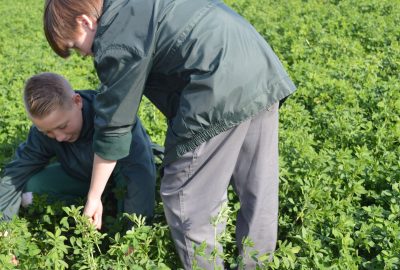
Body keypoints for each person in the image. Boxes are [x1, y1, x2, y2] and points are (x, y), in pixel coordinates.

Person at [43, 0, 297, 268]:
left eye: (74, 46)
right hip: (258, 66)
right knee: (256, 187)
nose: (84, 55)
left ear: (85, 22)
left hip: (216, 83)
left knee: (184, 195)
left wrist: (94, 197)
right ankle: (257, 264)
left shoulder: (116, 34)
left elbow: (115, 124)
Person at [0, 72, 156, 225]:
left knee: (134, 193)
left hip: (124, 178)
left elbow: (139, 175)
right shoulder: (44, 131)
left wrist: (132, 235)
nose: (59, 137)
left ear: (77, 101)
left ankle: (114, 211)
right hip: (83, 177)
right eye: (47, 132)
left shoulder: (113, 118)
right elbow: (16, 172)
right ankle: (89, 211)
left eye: (63, 126)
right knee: (31, 189)